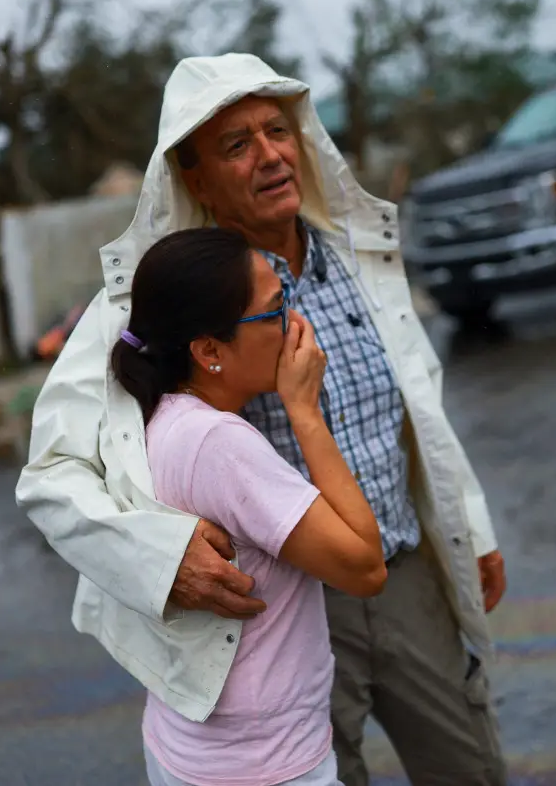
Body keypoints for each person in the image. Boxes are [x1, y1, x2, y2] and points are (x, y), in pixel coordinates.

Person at [16, 52, 508, 785]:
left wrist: (473, 525)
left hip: (402, 574)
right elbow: (51, 477)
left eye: (277, 131)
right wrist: (160, 557)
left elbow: (420, 402)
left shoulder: (355, 256)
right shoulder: (158, 302)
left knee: (469, 767)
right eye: (236, 145)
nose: (271, 155)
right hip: (282, 618)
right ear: (194, 177)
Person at [112, 226, 384, 785]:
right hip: (262, 765)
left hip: (187, 745)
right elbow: (364, 567)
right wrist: (305, 411)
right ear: (209, 351)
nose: (293, 324)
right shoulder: (220, 445)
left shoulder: (152, 419)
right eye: (275, 309)